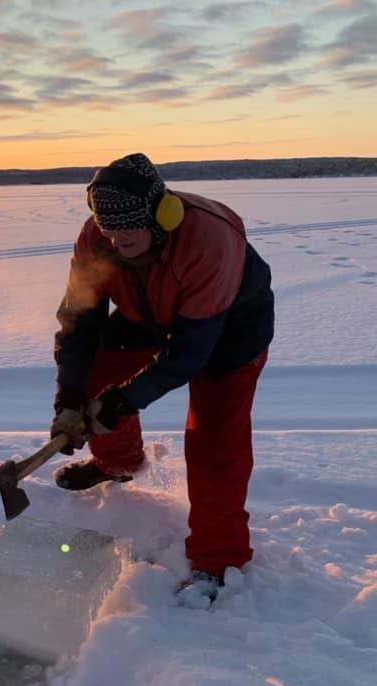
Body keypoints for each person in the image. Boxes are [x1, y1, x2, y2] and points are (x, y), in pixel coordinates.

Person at [50, 152, 274, 591]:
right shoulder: (97, 239)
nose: (117, 240)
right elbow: (79, 322)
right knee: (97, 373)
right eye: (109, 228)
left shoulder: (208, 239)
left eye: (128, 226)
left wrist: (123, 401)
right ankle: (118, 462)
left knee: (214, 441)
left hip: (228, 330)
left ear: (161, 214)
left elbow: (190, 352)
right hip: (148, 317)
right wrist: (70, 399)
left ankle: (219, 560)